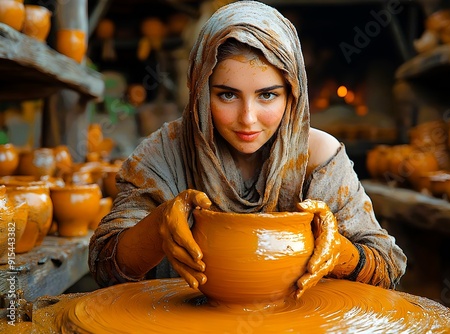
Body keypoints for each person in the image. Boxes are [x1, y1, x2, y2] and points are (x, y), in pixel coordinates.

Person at [89, 0, 406, 298]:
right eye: (227, 95)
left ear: (293, 95)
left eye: (267, 95)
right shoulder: (163, 154)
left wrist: (339, 251)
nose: (248, 119)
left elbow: (388, 267)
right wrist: (159, 227)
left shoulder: (318, 157)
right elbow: (105, 267)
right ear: (200, 92)